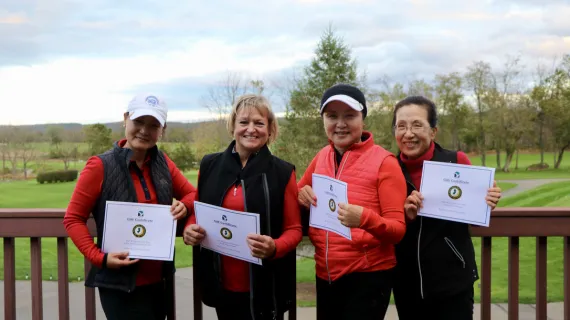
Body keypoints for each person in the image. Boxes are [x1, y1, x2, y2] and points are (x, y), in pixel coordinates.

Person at [63, 94, 196, 320]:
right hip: (119, 285)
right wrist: (100, 258)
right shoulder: (100, 165)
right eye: (139, 122)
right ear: (125, 119)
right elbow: (73, 219)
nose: (145, 130)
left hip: (158, 282)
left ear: (162, 130)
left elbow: (192, 193)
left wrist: (184, 204)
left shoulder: (163, 163)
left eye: (153, 125)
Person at [183, 94, 302, 320]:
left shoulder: (283, 172)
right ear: (233, 126)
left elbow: (294, 229)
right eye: (243, 122)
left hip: (266, 287)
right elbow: (197, 213)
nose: (251, 129)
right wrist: (190, 228)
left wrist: (275, 247)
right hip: (222, 285)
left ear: (270, 129)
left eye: (259, 123)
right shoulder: (210, 165)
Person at [297, 83, 407, 320]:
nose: (340, 123)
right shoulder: (321, 157)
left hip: (368, 275)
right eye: (332, 116)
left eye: (349, 115)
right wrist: (301, 194)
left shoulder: (384, 162)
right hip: (325, 273)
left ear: (363, 119)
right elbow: (299, 192)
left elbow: (397, 230)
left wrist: (364, 219)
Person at [391, 95, 502, 320]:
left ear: (433, 132)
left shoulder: (456, 161)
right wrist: (405, 216)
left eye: (417, 125)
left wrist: (488, 200)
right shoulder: (388, 168)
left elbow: (473, 214)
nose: (408, 133)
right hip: (406, 282)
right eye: (401, 126)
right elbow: (385, 223)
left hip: (454, 282)